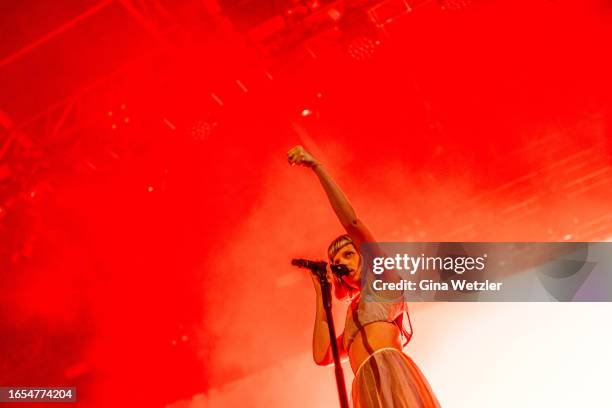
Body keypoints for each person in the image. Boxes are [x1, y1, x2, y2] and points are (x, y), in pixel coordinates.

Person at [287, 145, 440, 407]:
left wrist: (317, 167)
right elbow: (323, 354)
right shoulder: (351, 318)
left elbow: (353, 224)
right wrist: (319, 291)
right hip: (366, 388)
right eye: (336, 260)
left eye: (348, 254)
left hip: (393, 375)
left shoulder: (385, 282)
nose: (341, 262)